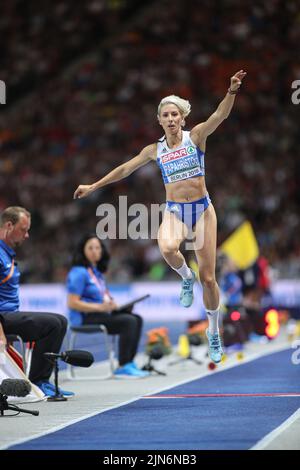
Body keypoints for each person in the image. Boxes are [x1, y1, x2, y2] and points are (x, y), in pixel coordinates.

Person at [73, 70, 247, 363]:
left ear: (182, 118)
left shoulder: (197, 137)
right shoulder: (155, 150)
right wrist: (94, 185)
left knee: (209, 279)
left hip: (203, 210)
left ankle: (214, 332)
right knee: (167, 248)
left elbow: (220, 115)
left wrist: (231, 91)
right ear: (159, 120)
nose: (170, 119)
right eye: (165, 115)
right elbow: (125, 168)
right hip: (176, 210)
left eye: (174, 114)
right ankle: (184, 276)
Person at [0, 206, 74, 397]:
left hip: (9, 315)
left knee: (60, 321)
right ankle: (38, 381)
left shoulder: (7, 253)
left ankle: (41, 380)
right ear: (9, 225)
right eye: (23, 230)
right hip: (2, 318)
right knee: (51, 324)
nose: (27, 236)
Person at [67, 234, 149, 378]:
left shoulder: (96, 273)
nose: (94, 251)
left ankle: (129, 363)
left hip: (101, 314)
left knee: (136, 318)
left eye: (97, 248)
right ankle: (123, 366)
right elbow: (72, 302)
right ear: (82, 251)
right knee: (128, 321)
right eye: (90, 248)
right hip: (85, 318)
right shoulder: (78, 273)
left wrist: (114, 305)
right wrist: (100, 307)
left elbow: (103, 296)